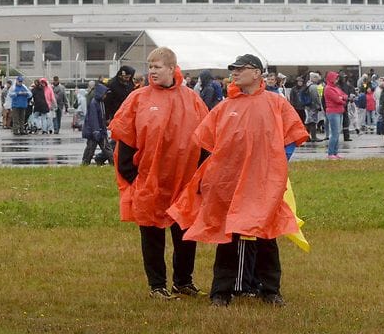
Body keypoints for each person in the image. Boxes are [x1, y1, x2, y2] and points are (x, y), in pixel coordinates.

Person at [168, 53, 309, 307]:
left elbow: (292, 137)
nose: (234, 73)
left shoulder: (276, 104)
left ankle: (270, 290)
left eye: (239, 69)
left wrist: (276, 167)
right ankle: (221, 291)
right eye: (232, 69)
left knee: (266, 234)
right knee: (228, 235)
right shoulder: (224, 107)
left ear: (256, 73)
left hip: (264, 183)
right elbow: (207, 144)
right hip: (228, 183)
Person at [108, 48, 209, 300]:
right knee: (152, 234)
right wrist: (133, 176)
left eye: (157, 67)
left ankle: (183, 281)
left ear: (172, 68)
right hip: (149, 181)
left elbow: (206, 139)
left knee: (185, 234)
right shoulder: (138, 99)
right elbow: (125, 139)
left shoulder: (192, 100)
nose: (152, 71)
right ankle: (157, 285)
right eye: (150, 66)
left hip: (183, 181)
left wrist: (199, 176)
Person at [322, 71, 347, 159]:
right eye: (335, 78)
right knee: (334, 133)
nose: (337, 80)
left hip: (339, 111)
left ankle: (335, 152)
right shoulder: (328, 88)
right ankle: (330, 153)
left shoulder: (336, 88)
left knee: (337, 133)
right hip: (333, 112)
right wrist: (342, 99)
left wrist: (342, 98)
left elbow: (344, 95)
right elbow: (337, 99)